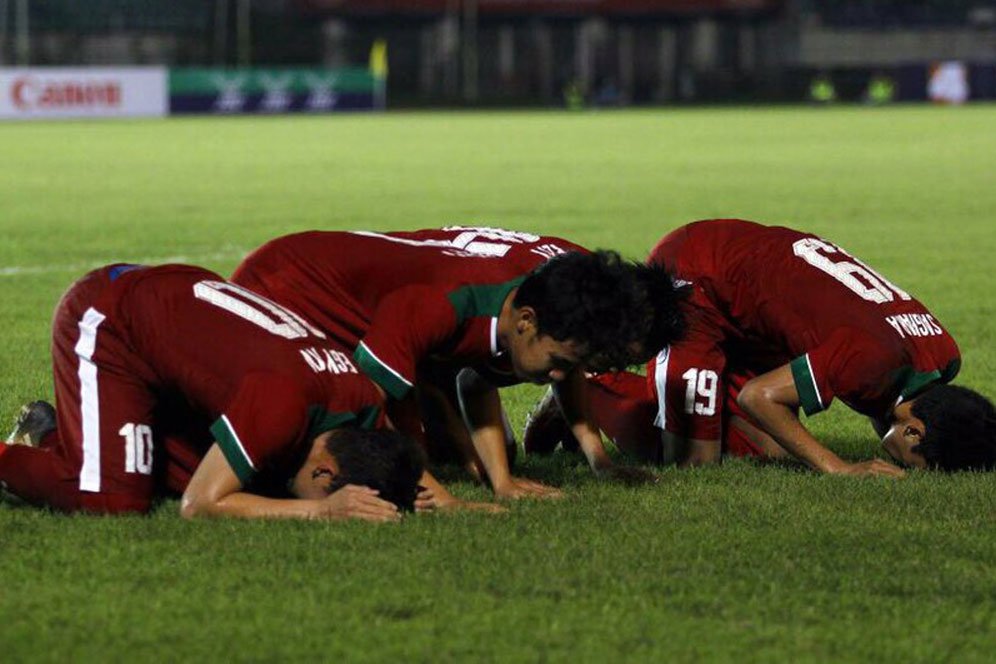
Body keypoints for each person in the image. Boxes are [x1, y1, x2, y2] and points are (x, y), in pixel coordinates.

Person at [231, 226, 685, 501]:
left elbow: (468, 370)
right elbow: (384, 397)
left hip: (372, 308)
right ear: (525, 323)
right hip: (283, 289)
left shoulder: (534, 300)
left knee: (481, 454)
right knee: (304, 454)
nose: (561, 375)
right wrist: (431, 486)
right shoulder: (449, 306)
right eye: (560, 362)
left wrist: (501, 478)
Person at [523, 219, 996, 474]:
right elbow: (759, 397)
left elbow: (876, 396)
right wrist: (839, 468)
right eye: (915, 463)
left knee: (768, 449)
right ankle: (587, 383)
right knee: (694, 464)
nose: (906, 467)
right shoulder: (871, 362)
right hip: (701, 278)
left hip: (755, 293)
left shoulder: (941, 353)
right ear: (913, 432)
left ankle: (623, 398)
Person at [0, 264, 424, 519]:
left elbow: (395, 456)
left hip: (168, 302)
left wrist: (445, 501)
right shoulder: (281, 405)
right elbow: (198, 505)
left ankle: (51, 433)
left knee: (203, 473)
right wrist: (324, 511)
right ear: (324, 472)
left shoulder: (361, 398)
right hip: (111, 316)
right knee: (113, 500)